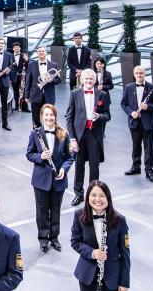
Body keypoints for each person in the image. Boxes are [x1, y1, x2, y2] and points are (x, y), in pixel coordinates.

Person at [27, 104, 74, 252]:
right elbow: (29, 154)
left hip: (58, 179)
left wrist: (64, 169)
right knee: (41, 211)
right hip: (41, 180)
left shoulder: (63, 133)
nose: (49, 117)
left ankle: (54, 237)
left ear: (55, 116)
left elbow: (70, 156)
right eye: (46, 115)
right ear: (42, 117)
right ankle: (43, 239)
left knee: (55, 210)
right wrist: (40, 156)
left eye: (51, 115)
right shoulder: (36, 134)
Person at [67, 69, 111, 207]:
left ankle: (93, 194)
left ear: (94, 80)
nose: (88, 81)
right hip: (80, 135)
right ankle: (78, 194)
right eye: (86, 78)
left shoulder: (102, 95)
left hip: (94, 135)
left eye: (91, 79)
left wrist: (99, 117)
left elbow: (108, 115)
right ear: (82, 79)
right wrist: (72, 139)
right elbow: (69, 118)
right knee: (79, 166)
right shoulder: (74, 94)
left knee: (94, 166)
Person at [121, 65, 153, 183]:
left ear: (145, 74)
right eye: (137, 73)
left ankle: (149, 171)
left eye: (141, 73)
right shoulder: (128, 87)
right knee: (135, 146)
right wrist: (131, 113)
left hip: (148, 123)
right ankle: (136, 167)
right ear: (134, 74)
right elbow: (124, 104)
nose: (139, 75)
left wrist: (147, 107)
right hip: (134, 122)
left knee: (148, 148)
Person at [25, 46, 60, 128]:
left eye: (43, 51)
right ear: (37, 53)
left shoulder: (54, 65)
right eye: (39, 51)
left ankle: (48, 133)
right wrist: (26, 96)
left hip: (49, 96)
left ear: (46, 53)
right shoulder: (31, 65)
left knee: (49, 118)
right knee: (36, 119)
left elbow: (58, 80)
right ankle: (36, 134)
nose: (41, 52)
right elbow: (28, 81)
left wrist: (51, 80)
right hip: (35, 95)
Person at [9, 43, 28, 112]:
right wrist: (10, 78)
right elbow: (9, 68)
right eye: (15, 47)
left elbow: (28, 65)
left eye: (18, 47)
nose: (16, 48)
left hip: (22, 77)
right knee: (16, 92)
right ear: (13, 48)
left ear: (20, 48)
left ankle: (25, 108)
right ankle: (17, 107)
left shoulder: (24, 55)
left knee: (24, 92)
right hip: (14, 77)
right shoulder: (10, 56)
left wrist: (27, 60)